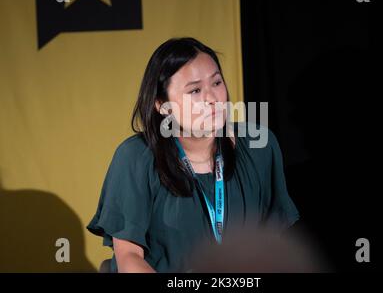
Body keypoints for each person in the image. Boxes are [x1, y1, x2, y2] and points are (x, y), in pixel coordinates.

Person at [86, 37, 300, 273]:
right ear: (161, 104)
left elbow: (273, 243)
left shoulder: (260, 146)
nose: (212, 98)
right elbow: (129, 257)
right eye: (195, 90)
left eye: (217, 83)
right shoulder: (135, 157)